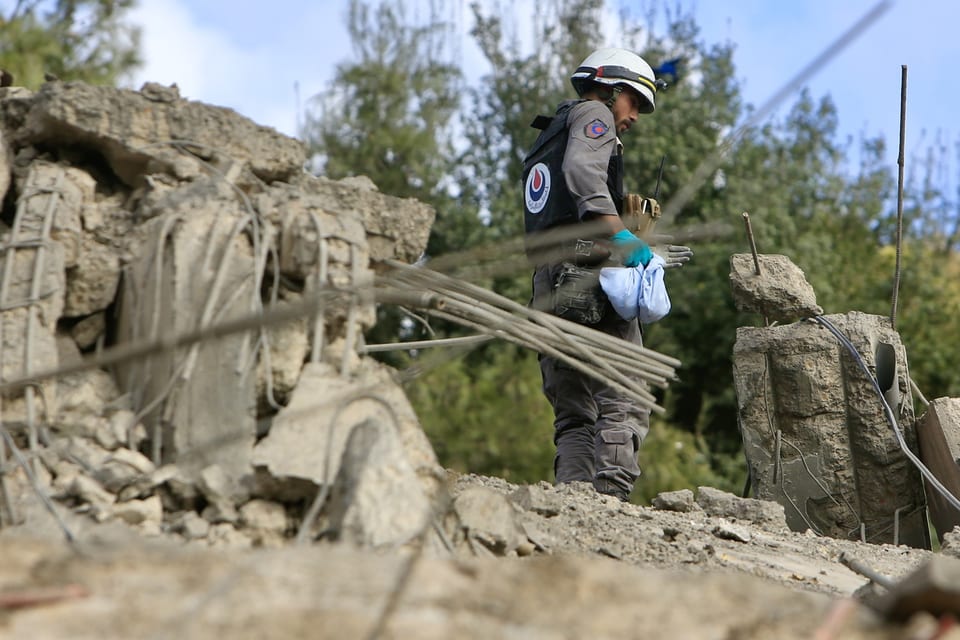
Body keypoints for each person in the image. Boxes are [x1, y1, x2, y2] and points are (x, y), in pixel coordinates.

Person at [521, 47, 666, 502]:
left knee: (573, 411)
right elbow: (583, 173)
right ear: (611, 89)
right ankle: (611, 502)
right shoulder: (592, 114)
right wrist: (621, 236)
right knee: (622, 393)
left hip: (548, 283)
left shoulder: (550, 134)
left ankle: (577, 503)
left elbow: (562, 205)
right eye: (635, 102)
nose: (636, 116)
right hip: (590, 276)